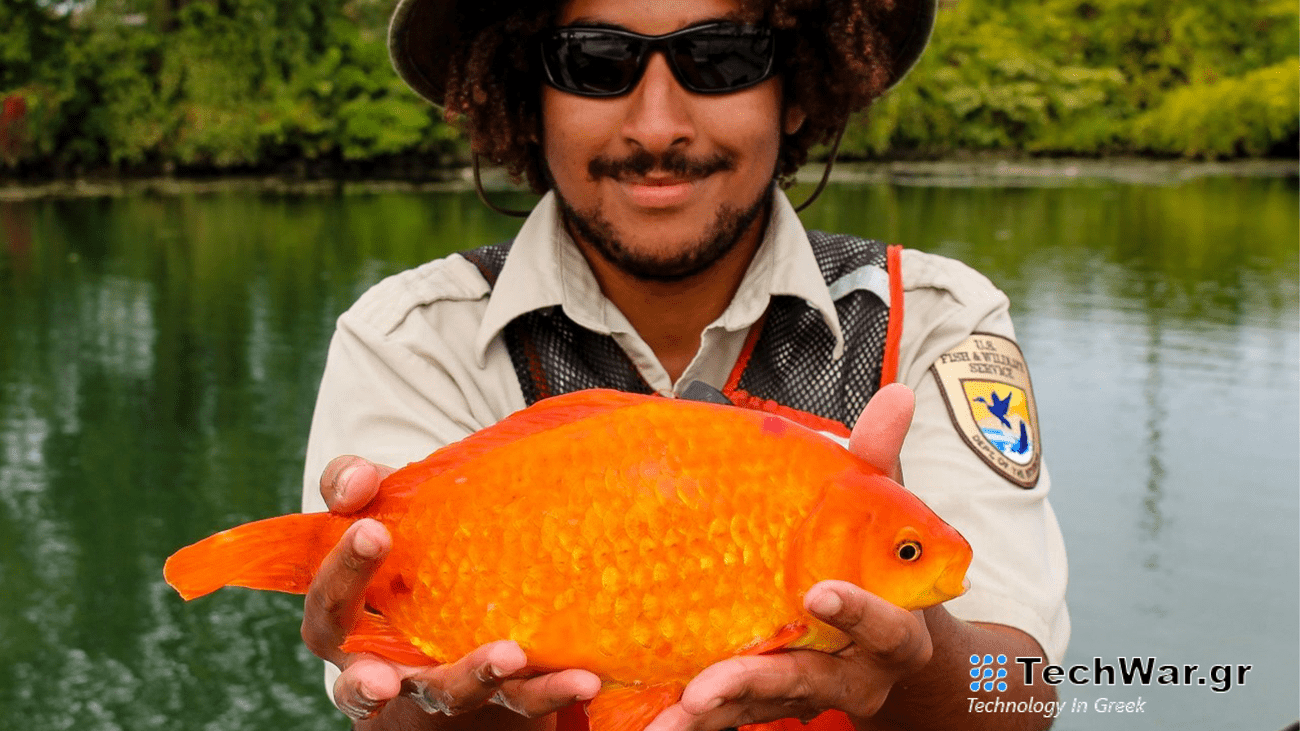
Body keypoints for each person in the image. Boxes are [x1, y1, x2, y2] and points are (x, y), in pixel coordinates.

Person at [299, 0, 1070, 729]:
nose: (658, 125)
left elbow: (1019, 693)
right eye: (595, 62)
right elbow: (385, 700)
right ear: (527, 98)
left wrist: (915, 650)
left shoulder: (934, 316)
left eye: (722, 58)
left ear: (796, 91)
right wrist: (441, 704)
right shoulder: (409, 339)